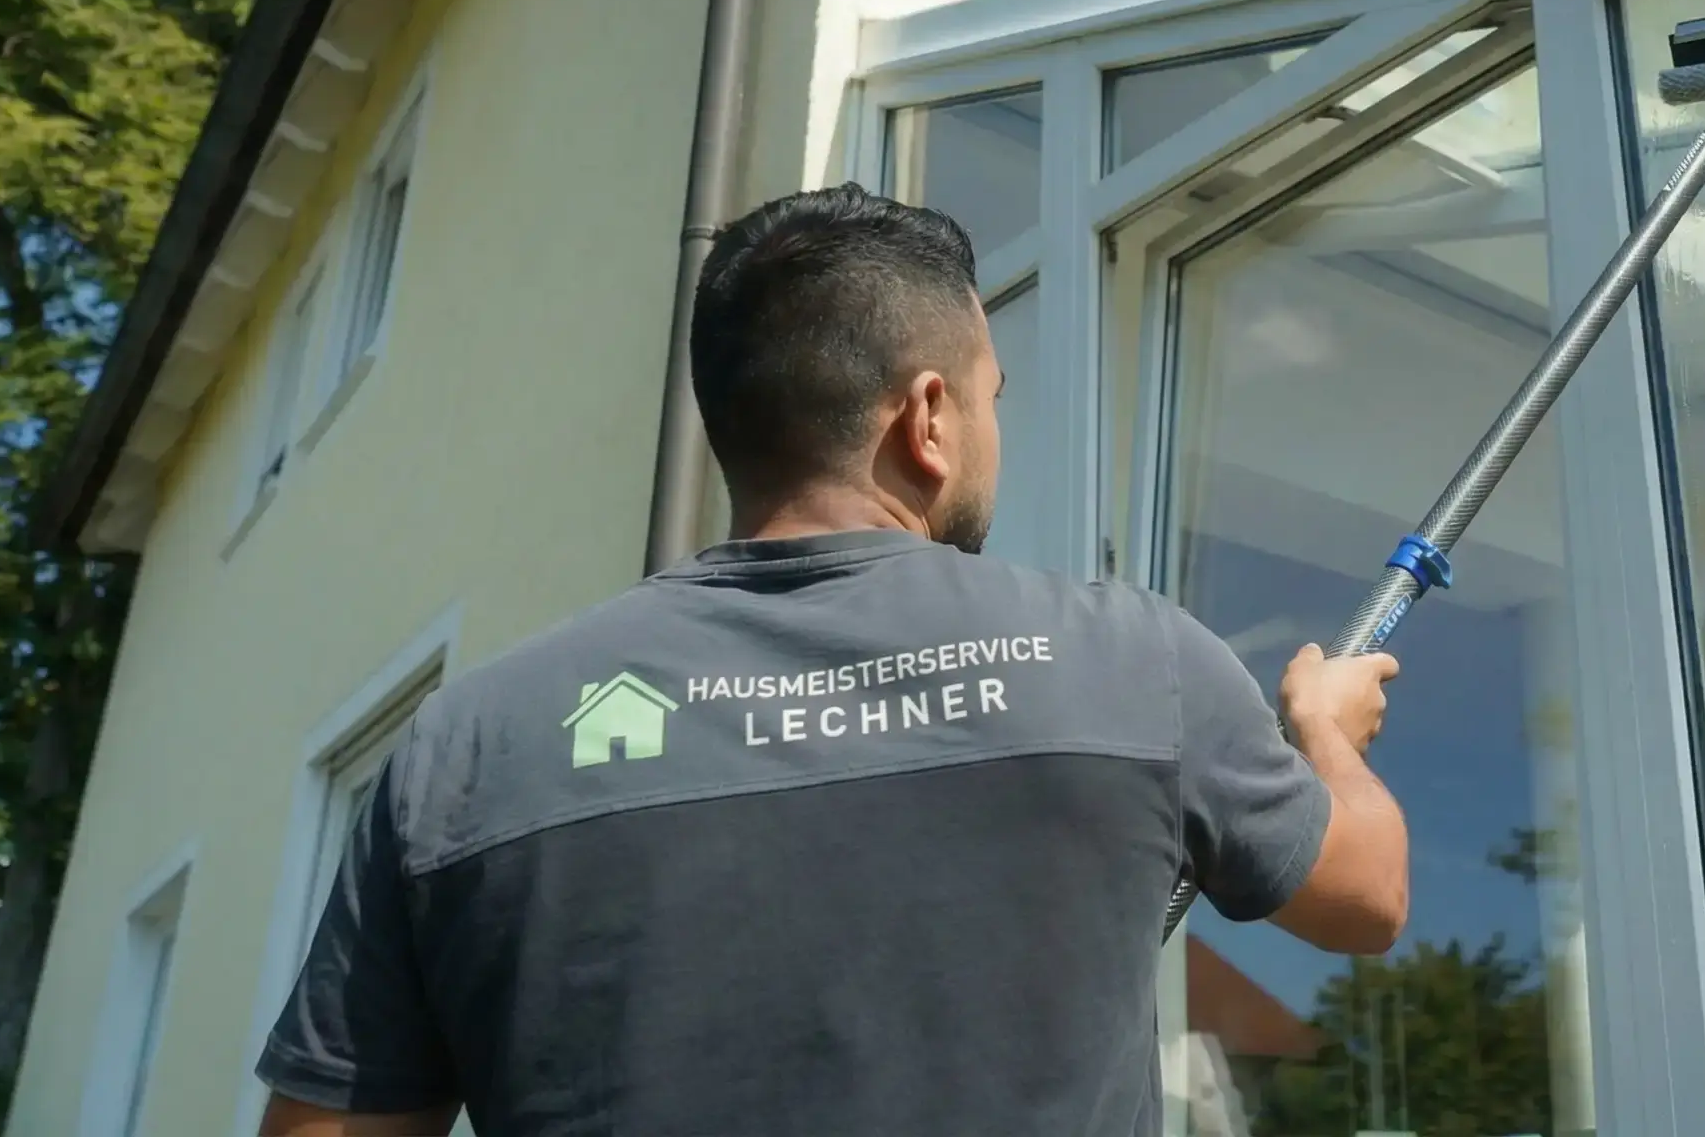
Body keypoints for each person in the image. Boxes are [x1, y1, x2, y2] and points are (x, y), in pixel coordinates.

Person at [256, 185, 1409, 1136]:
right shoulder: (1130, 662)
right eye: (991, 396)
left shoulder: (472, 746)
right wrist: (1325, 738)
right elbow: (1365, 899)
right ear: (928, 418)